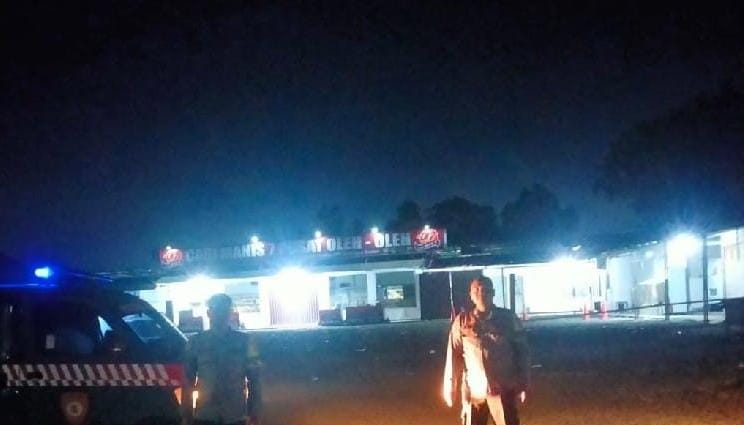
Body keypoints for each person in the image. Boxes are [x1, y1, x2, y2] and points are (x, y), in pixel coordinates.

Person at [443, 277, 530, 425]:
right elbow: (453, 355)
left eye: (486, 290)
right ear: (471, 295)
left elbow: (522, 352)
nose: (481, 294)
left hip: (504, 389)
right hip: (474, 391)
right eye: (476, 290)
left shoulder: (508, 319)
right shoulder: (462, 321)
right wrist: (450, 388)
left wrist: (524, 383)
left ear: (493, 293)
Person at [182, 294, 262, 425]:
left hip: (235, 415)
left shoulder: (246, 342)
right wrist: (186, 413)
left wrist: (254, 412)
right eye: (217, 310)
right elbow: (187, 380)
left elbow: (254, 380)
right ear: (209, 313)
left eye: (224, 310)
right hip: (206, 415)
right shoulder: (195, 342)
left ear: (231, 313)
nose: (221, 314)